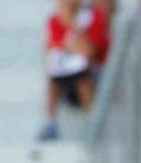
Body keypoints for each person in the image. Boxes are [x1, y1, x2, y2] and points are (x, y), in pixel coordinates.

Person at [40, 0, 109, 141]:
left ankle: (92, 121)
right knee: (53, 75)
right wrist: (72, 43)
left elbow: (91, 50)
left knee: (81, 78)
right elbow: (51, 47)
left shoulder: (94, 17)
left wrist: (74, 32)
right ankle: (50, 122)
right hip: (67, 69)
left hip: (94, 70)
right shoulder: (56, 19)